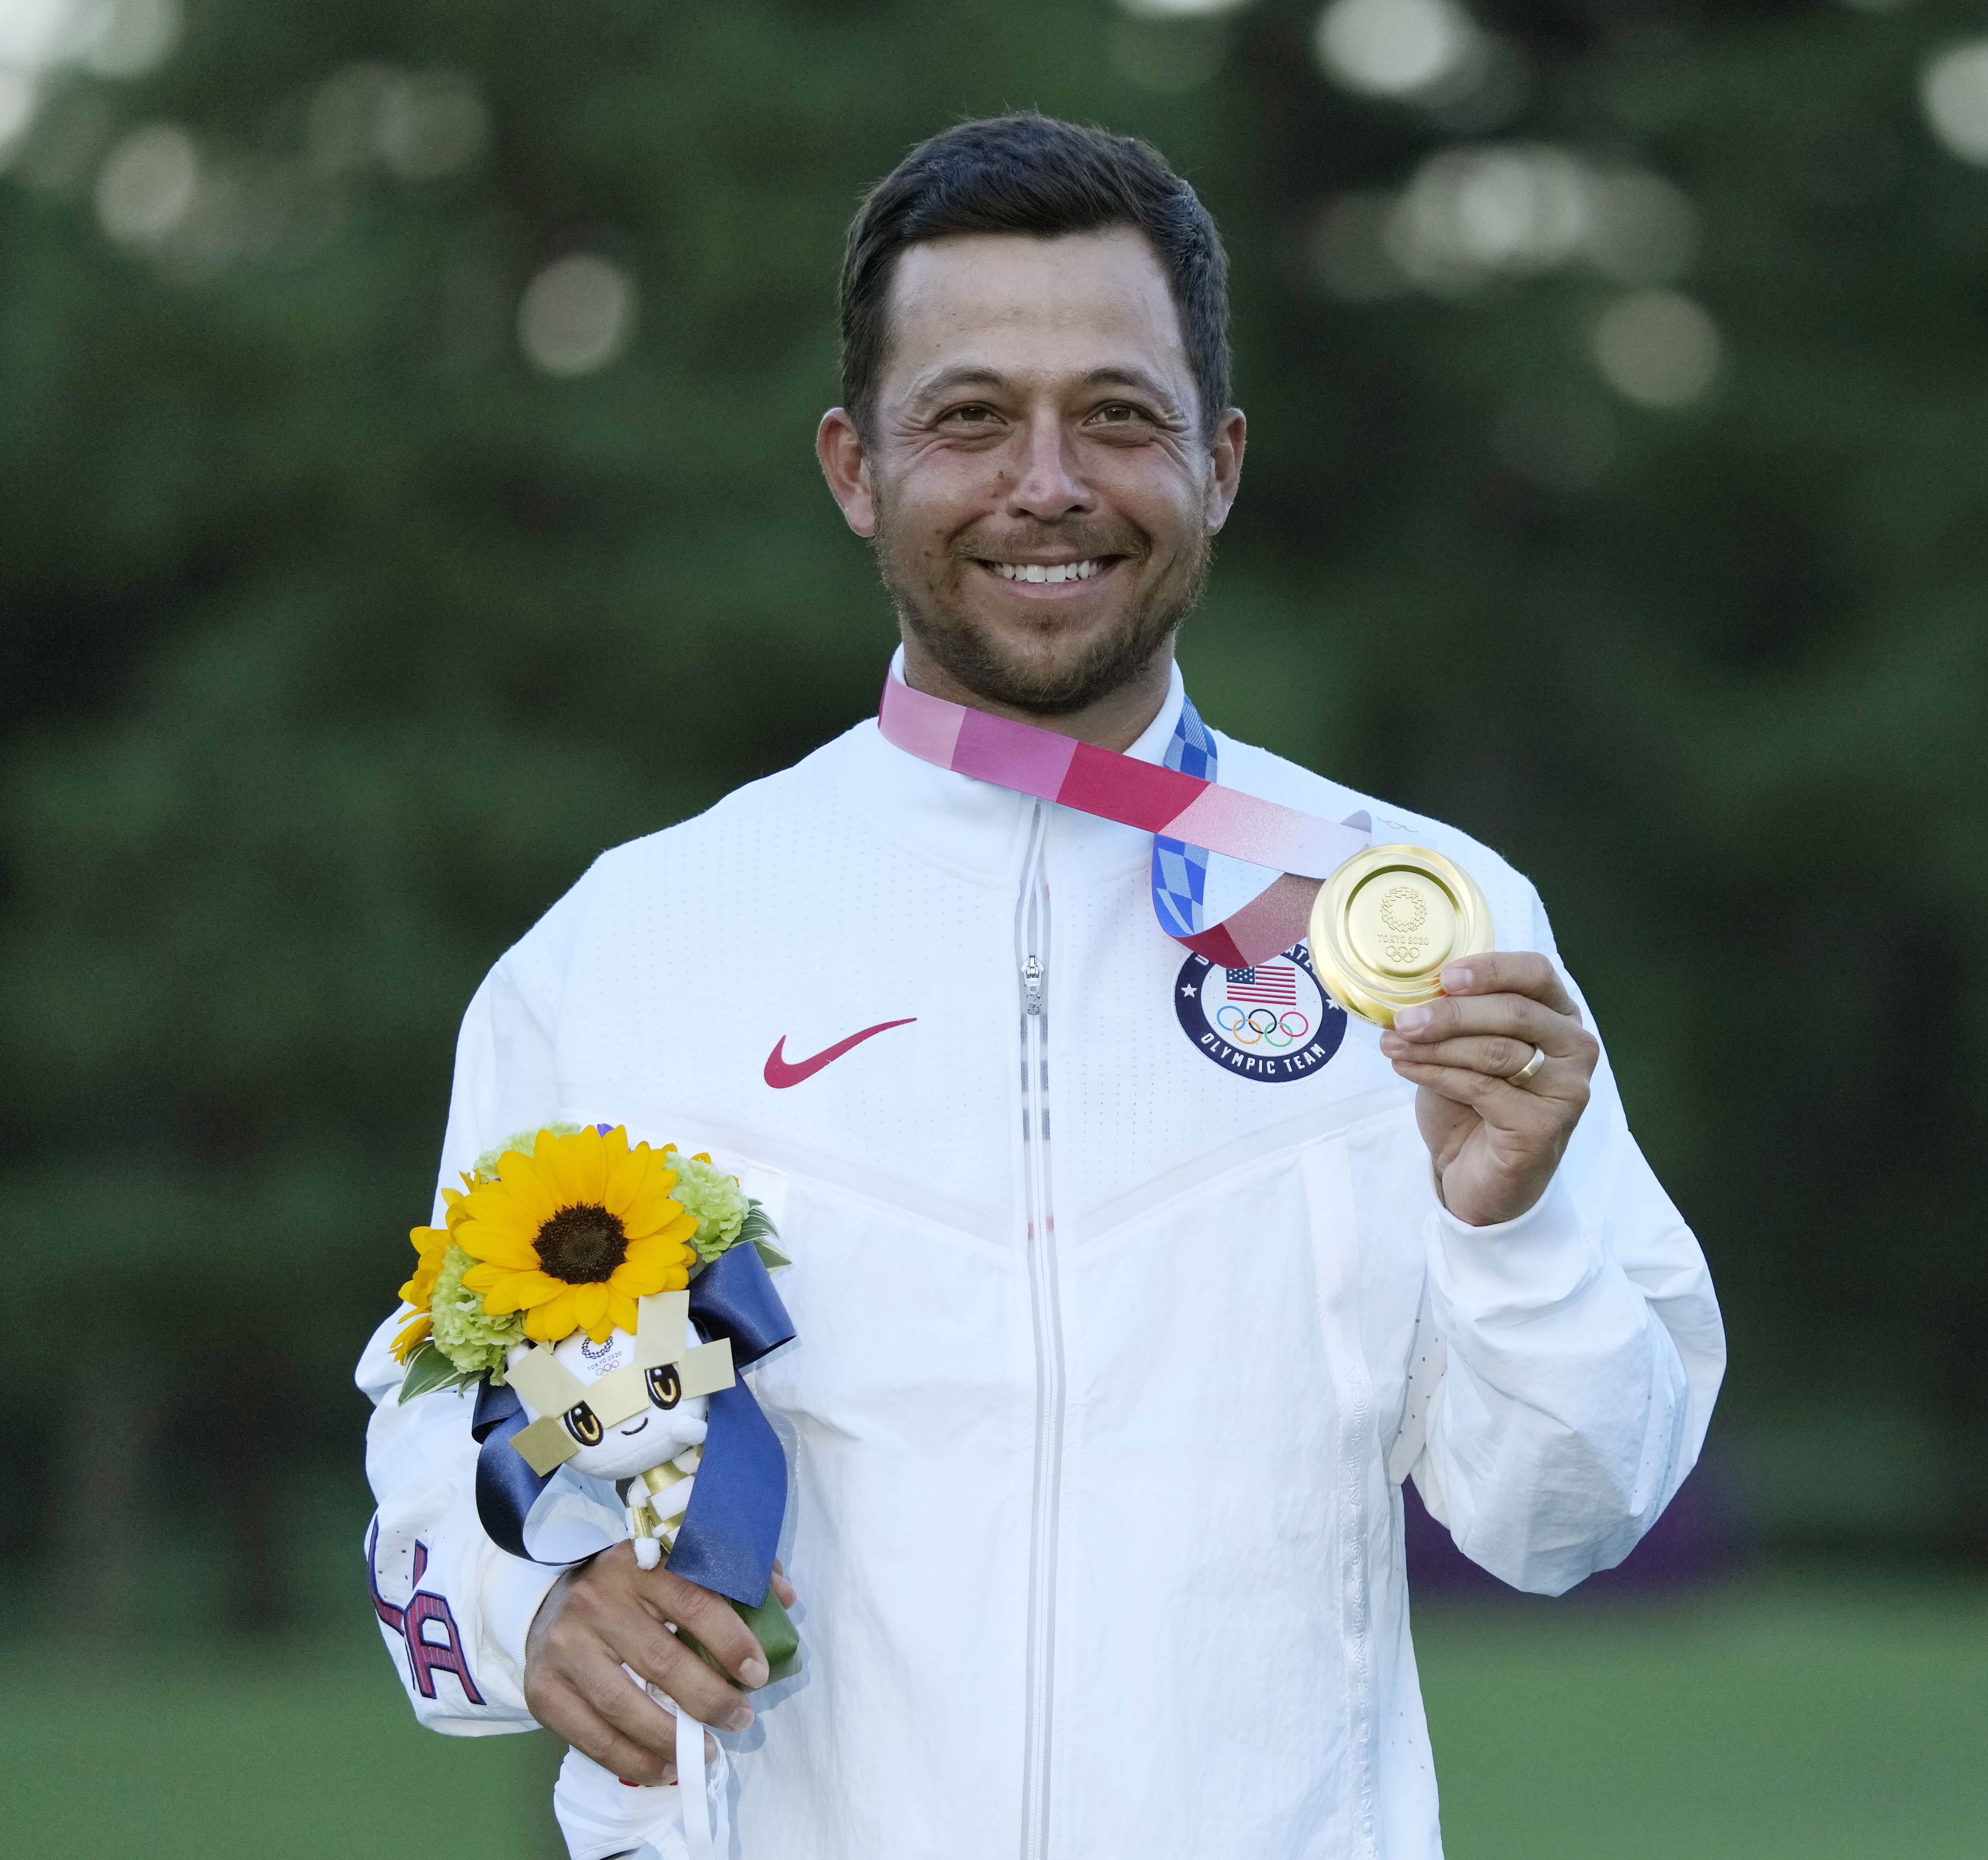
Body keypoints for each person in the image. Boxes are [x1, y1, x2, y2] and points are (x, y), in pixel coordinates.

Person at [356, 113, 1723, 1859]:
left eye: (1119, 415)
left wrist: (1513, 1229)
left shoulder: (1423, 916)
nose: (1049, 482)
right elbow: (430, 1443)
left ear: (1220, 461)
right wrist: (527, 1607)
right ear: (856, 467)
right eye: (971, 416)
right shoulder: (634, 944)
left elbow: (1573, 1513)